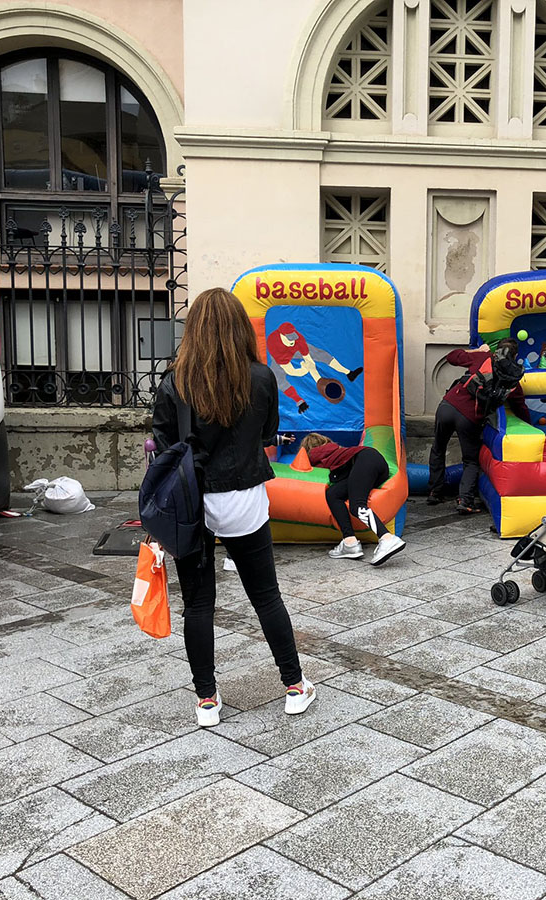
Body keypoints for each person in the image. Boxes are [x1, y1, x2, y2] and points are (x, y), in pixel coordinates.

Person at [152, 288, 315, 725]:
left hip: (192, 504)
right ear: (240, 327)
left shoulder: (175, 382)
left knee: (198, 604)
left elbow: (165, 447)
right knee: (266, 597)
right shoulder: (261, 378)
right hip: (245, 498)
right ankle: (295, 686)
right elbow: (268, 434)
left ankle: (206, 700)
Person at [427, 337, 528, 514]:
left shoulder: (483, 357)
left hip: (448, 405)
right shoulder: (513, 378)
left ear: (497, 350)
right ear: (516, 355)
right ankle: (465, 500)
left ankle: (435, 492)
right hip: (469, 417)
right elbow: (520, 406)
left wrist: (477, 351)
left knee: (438, 448)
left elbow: (452, 356)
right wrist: (529, 426)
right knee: (471, 460)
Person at [299, 433, 407, 564]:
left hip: (365, 461)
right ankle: (349, 542)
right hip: (375, 460)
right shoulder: (335, 449)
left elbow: (317, 475)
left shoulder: (315, 455)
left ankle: (387, 538)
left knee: (357, 506)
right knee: (333, 494)